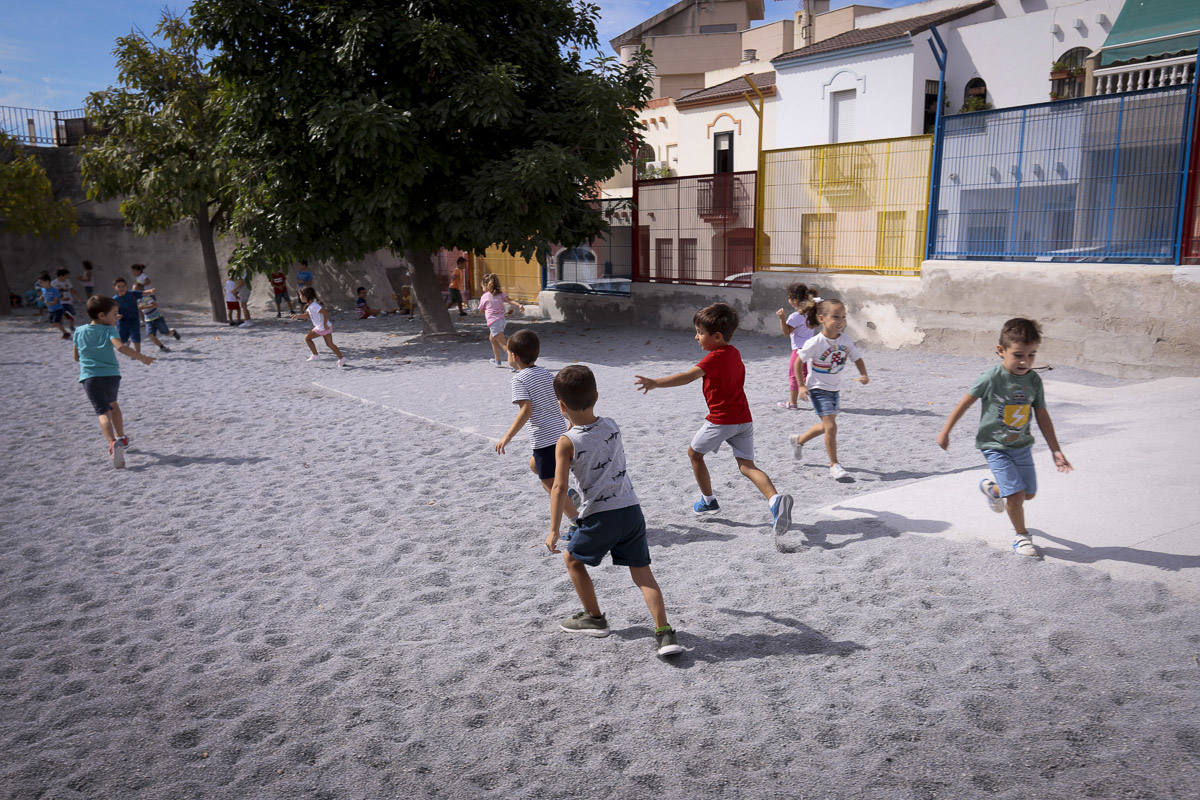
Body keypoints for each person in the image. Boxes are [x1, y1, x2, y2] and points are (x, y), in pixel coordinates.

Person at [548, 365, 683, 657]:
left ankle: (594, 618)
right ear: (596, 395)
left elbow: (559, 488)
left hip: (600, 515)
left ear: (560, 405)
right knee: (643, 573)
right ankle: (664, 632)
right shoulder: (611, 425)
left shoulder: (566, 442)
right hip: (631, 510)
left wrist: (554, 529)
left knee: (572, 559)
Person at [634, 303, 793, 535]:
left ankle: (708, 500)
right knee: (747, 466)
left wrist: (655, 382)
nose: (696, 336)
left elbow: (687, 377)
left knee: (694, 454)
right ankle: (775, 500)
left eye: (700, 332)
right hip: (744, 420)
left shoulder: (713, 359)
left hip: (721, 421)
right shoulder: (734, 352)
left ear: (717, 337)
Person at [936, 318, 1072, 558]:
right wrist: (946, 430)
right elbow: (965, 403)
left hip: (1021, 446)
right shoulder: (991, 378)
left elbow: (1041, 415)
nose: (1025, 362)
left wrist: (1056, 450)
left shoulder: (1033, 381)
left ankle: (993, 490)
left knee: (1028, 493)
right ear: (1001, 351)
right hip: (995, 446)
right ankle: (1022, 536)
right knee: (1017, 496)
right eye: (1019, 355)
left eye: (1032, 355)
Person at [495, 329, 581, 529]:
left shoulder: (519, 379)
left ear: (514, 357)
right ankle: (569, 495)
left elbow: (526, 410)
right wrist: (570, 419)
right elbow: (560, 401)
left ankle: (577, 522)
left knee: (549, 484)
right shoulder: (546, 373)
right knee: (535, 465)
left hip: (543, 438)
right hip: (559, 434)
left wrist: (507, 436)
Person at [789, 299, 869, 481]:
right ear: (821, 318)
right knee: (831, 426)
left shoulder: (845, 340)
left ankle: (799, 440)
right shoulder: (815, 342)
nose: (841, 321)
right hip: (818, 388)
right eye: (835, 317)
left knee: (827, 426)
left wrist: (863, 374)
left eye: (843, 317)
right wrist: (801, 385)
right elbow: (798, 362)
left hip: (834, 389)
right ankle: (834, 465)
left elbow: (857, 357)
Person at [73, 295, 155, 468]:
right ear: (102, 315)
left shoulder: (79, 331)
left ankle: (112, 443)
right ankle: (122, 438)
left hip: (90, 377)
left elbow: (76, 357)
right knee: (114, 405)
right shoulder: (109, 330)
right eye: (114, 314)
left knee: (102, 412)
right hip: (111, 376)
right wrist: (142, 357)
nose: (117, 316)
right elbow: (121, 347)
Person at [775, 282, 819, 410]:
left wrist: (782, 318)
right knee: (807, 375)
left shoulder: (795, 316)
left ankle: (792, 403)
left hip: (798, 350)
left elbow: (786, 332)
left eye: (789, 297)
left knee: (794, 375)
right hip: (811, 349)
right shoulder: (811, 313)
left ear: (794, 300)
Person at [291, 286, 345, 367]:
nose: (299, 297)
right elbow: (307, 315)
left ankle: (315, 355)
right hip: (325, 327)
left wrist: (325, 324)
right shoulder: (311, 305)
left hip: (322, 327)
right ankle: (341, 358)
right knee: (330, 344)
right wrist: (297, 316)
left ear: (306, 296)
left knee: (307, 338)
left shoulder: (314, 305)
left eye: (300, 295)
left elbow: (325, 312)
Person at [479, 273, 522, 367]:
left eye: (482, 285)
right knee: (492, 339)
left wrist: (486, 313)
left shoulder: (484, 296)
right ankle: (497, 360)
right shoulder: (500, 294)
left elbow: (481, 310)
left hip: (493, 322)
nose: (481, 287)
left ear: (485, 285)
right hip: (501, 321)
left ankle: (516, 365)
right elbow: (509, 300)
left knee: (504, 345)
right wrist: (519, 305)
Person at [112, 278, 144, 352]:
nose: (121, 288)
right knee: (121, 340)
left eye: (123, 286)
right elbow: (112, 311)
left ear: (126, 287)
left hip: (134, 320)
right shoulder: (114, 299)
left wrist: (150, 291)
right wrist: (116, 315)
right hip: (122, 322)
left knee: (136, 337)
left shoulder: (132, 294)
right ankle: (127, 342)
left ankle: (138, 353)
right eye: (119, 286)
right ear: (115, 288)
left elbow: (142, 293)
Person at [37, 272, 70, 339]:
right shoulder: (43, 289)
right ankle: (65, 329)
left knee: (56, 323)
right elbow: (44, 295)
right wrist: (41, 297)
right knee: (53, 324)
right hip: (51, 310)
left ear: (47, 281)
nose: (40, 284)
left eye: (41, 282)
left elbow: (56, 301)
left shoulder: (54, 290)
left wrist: (49, 303)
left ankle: (65, 332)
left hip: (58, 309)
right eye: (39, 283)